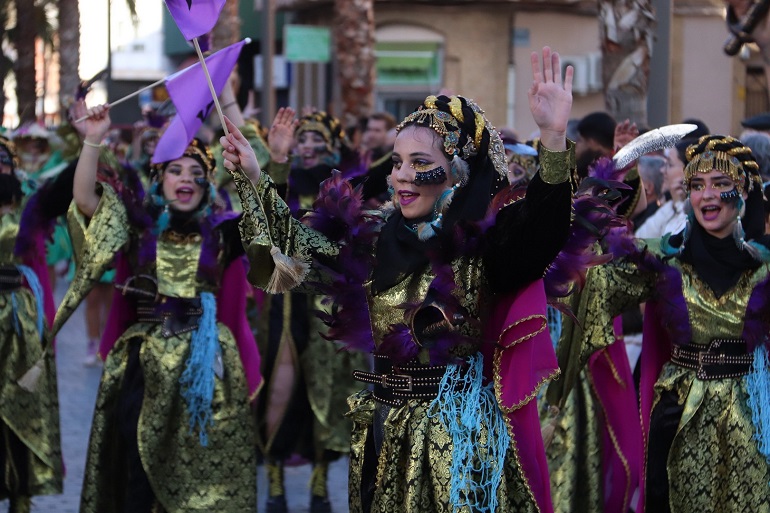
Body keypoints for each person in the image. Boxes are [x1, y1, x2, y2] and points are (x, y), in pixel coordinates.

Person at [221, 46, 575, 513]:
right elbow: (295, 248)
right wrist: (252, 175)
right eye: (396, 162)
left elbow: (543, 234)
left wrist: (553, 137)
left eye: (419, 163)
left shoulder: (486, 247)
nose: (402, 178)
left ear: (459, 173)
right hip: (382, 433)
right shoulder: (373, 241)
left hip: (459, 440)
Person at [59, 100, 263, 513]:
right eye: (175, 170)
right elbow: (84, 200)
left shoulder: (224, 234)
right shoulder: (138, 228)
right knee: (139, 470)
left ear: (207, 184)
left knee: (200, 476)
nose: (185, 178)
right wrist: (93, 141)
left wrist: (254, 174)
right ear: (160, 178)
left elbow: (269, 227)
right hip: (143, 364)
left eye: (195, 172)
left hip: (206, 370)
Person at [576, 134, 770, 512]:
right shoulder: (664, 261)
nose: (707, 196)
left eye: (721, 184)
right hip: (678, 418)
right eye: (697, 185)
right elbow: (591, 281)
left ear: (743, 192)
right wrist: (616, 176)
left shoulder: (764, 269)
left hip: (750, 419)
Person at [255, 108, 368, 513]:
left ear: (332, 147)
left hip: (327, 301)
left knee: (327, 393)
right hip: (283, 303)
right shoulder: (279, 181)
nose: (308, 147)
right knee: (279, 390)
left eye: (315, 140)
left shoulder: (347, 188)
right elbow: (264, 215)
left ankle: (320, 485)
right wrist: (276, 161)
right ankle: (274, 479)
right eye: (301, 139)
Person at [0, 134, 65, 512]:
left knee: (22, 406)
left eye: (4, 161)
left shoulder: (31, 205)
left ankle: (21, 496)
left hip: (21, 321)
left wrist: (90, 143)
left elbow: (70, 191)